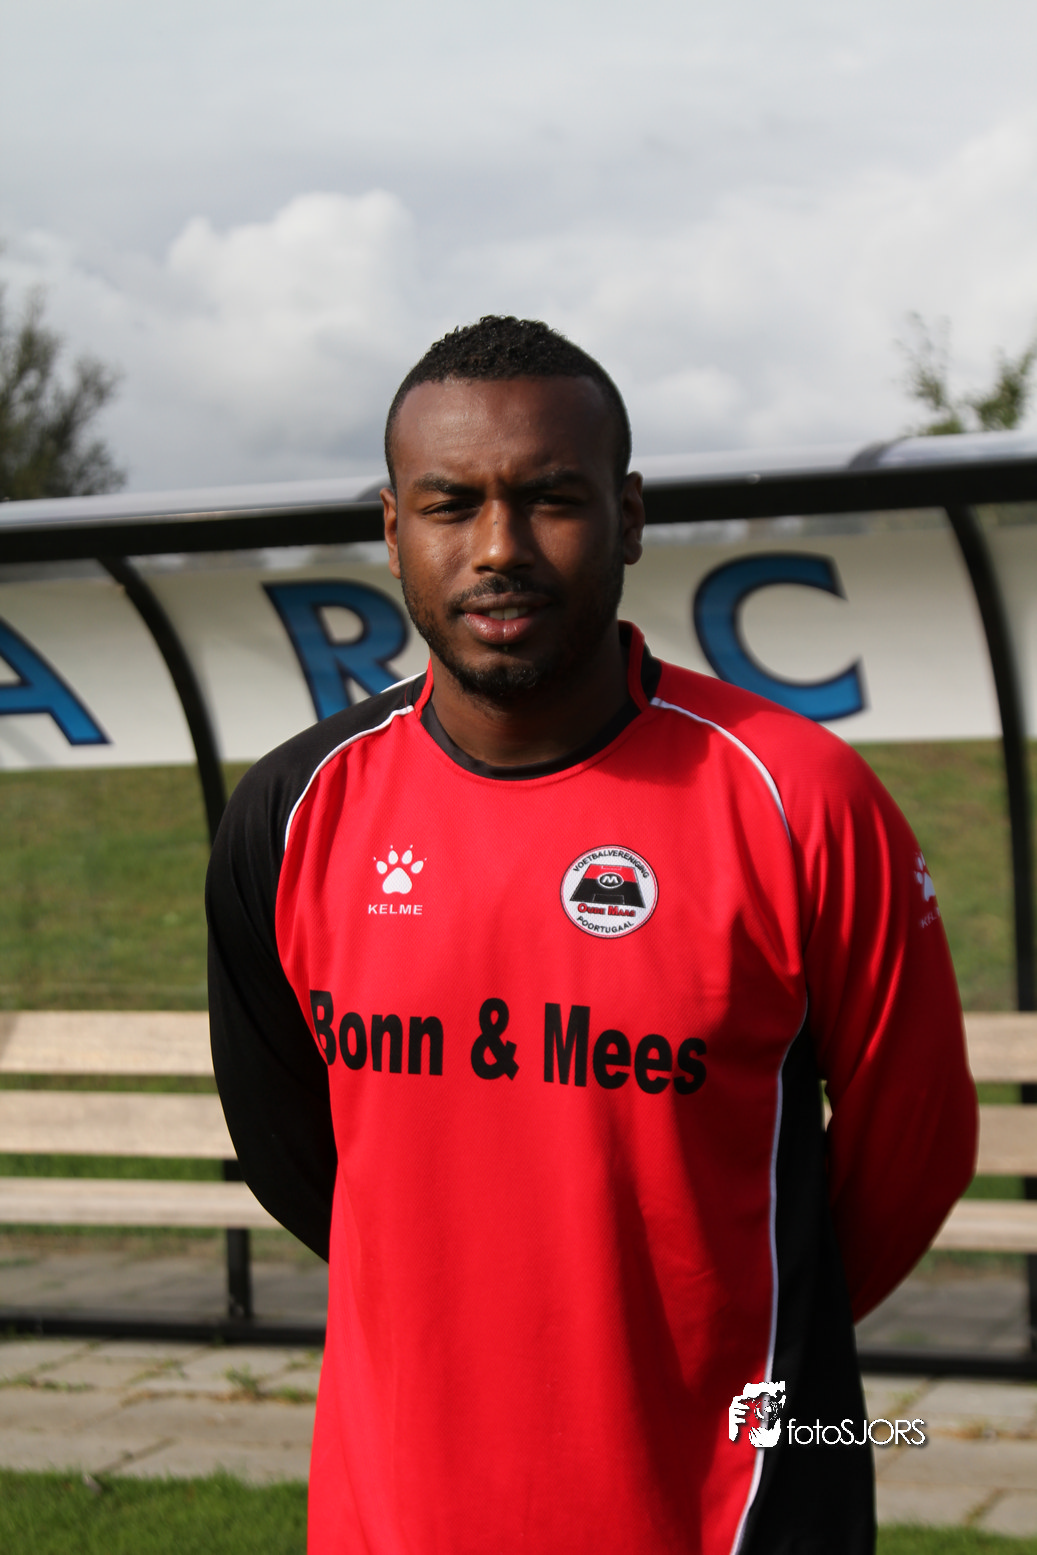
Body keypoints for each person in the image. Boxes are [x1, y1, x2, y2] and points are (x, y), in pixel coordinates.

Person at [207, 316, 977, 1555]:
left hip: (730, 1508)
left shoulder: (800, 798)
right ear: (394, 531)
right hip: (393, 1510)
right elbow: (295, 1153)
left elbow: (912, 1153)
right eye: (450, 504)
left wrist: (718, 1338)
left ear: (627, 517)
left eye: (550, 498)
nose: (497, 547)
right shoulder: (293, 812)